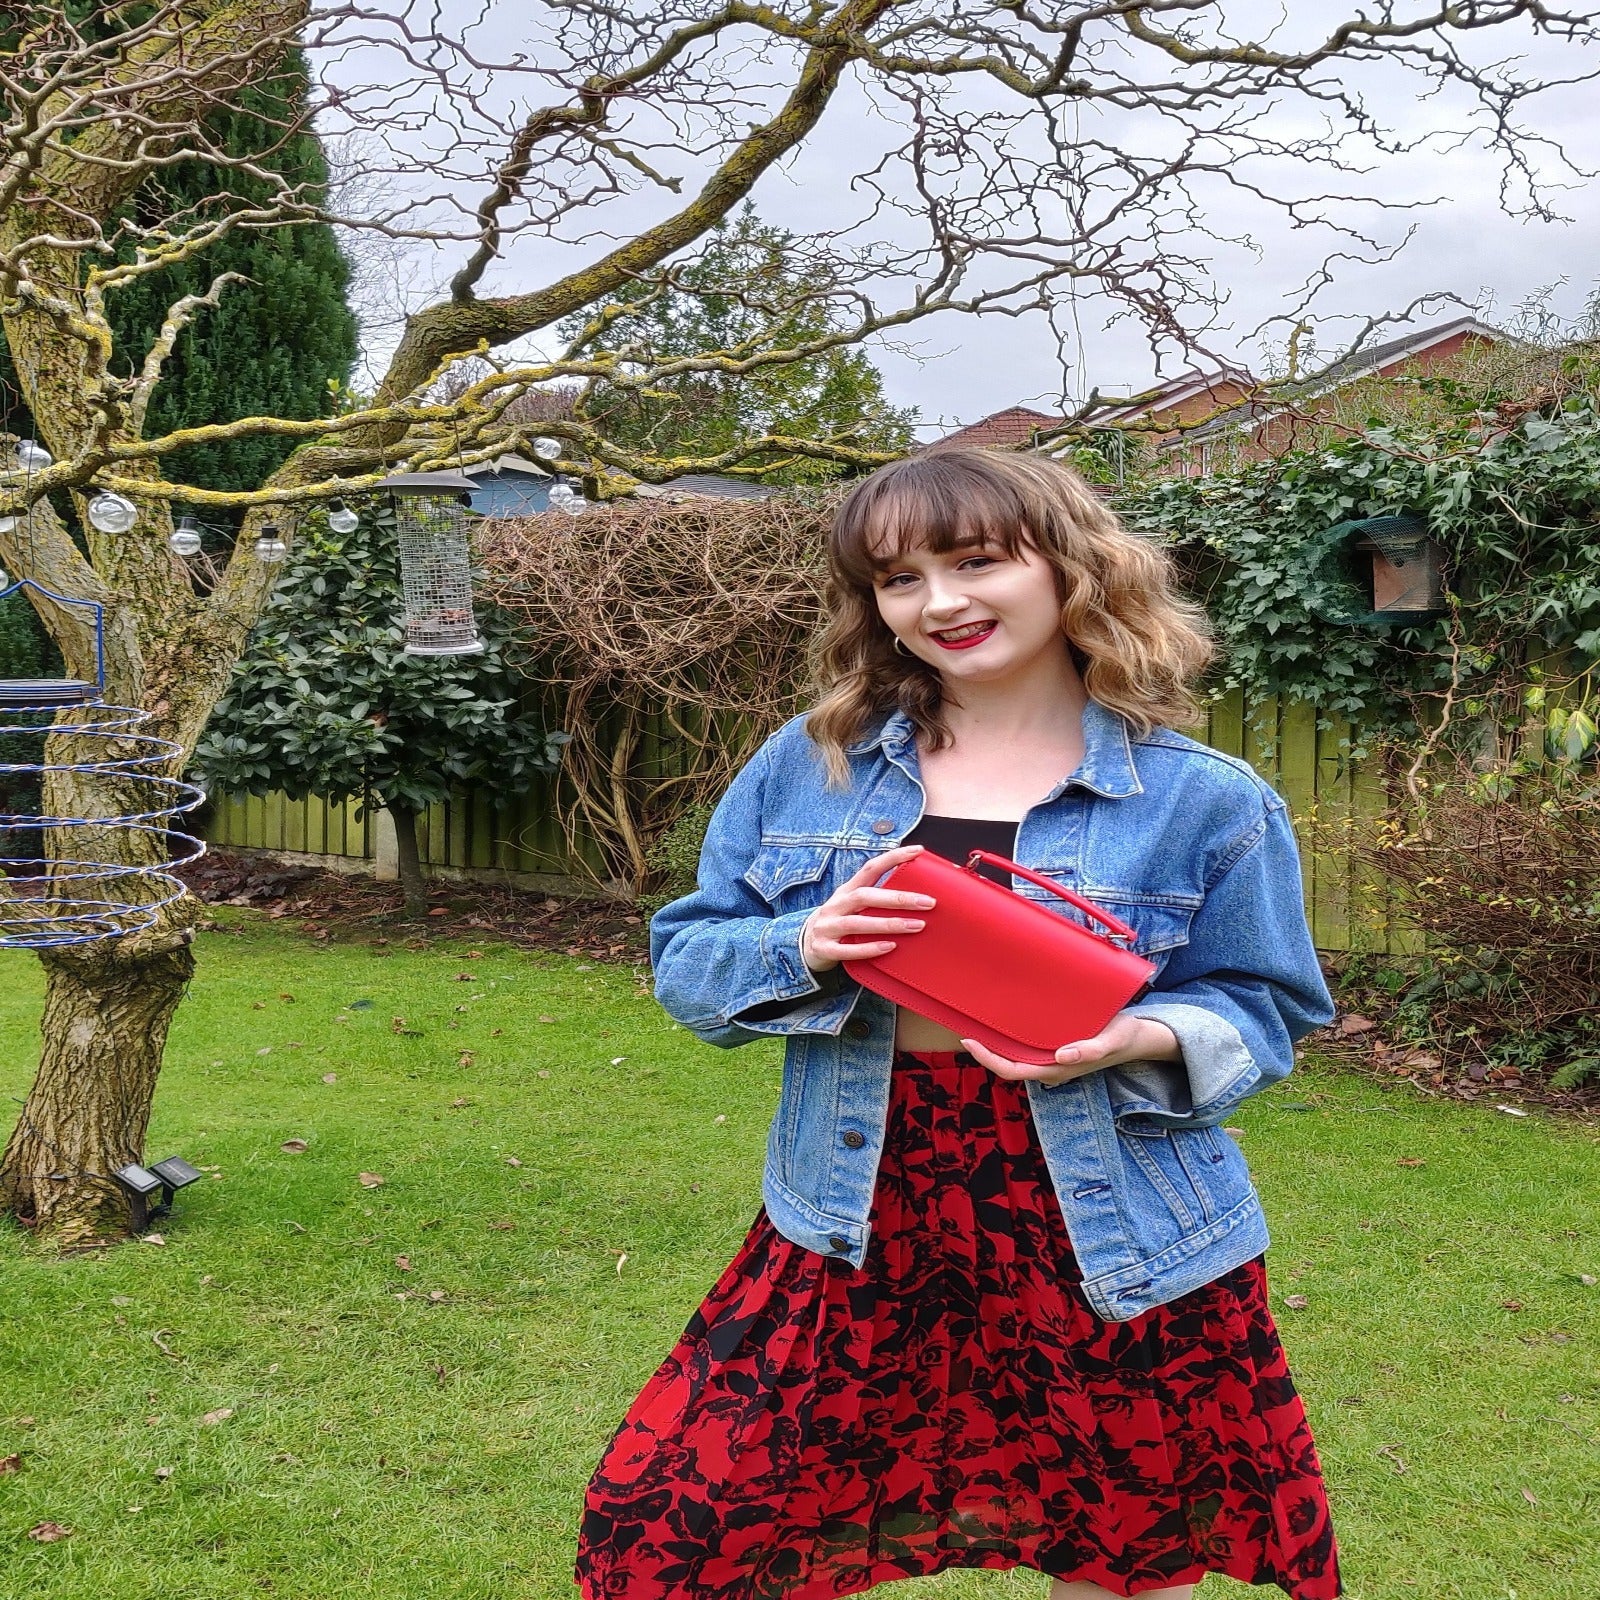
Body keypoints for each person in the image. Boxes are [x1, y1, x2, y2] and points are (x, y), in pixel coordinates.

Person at [574, 447, 1341, 1600]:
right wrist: (808, 944)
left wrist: (1132, 1039)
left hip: (1114, 1212)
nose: (939, 603)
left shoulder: (1207, 797)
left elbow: (1267, 1004)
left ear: (1069, 565)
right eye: (899, 578)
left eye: (977, 559)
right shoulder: (812, 765)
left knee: (1126, 1548)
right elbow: (686, 961)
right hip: (858, 1190)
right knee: (677, 1519)